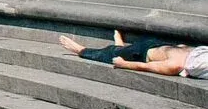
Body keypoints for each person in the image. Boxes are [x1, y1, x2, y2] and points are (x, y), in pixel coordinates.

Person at [58, 32, 208, 79]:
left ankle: (81, 50)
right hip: (161, 45)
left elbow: (148, 66)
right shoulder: (194, 56)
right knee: (118, 49)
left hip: (140, 53)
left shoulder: (175, 65)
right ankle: (119, 45)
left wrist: (125, 64)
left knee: (110, 53)